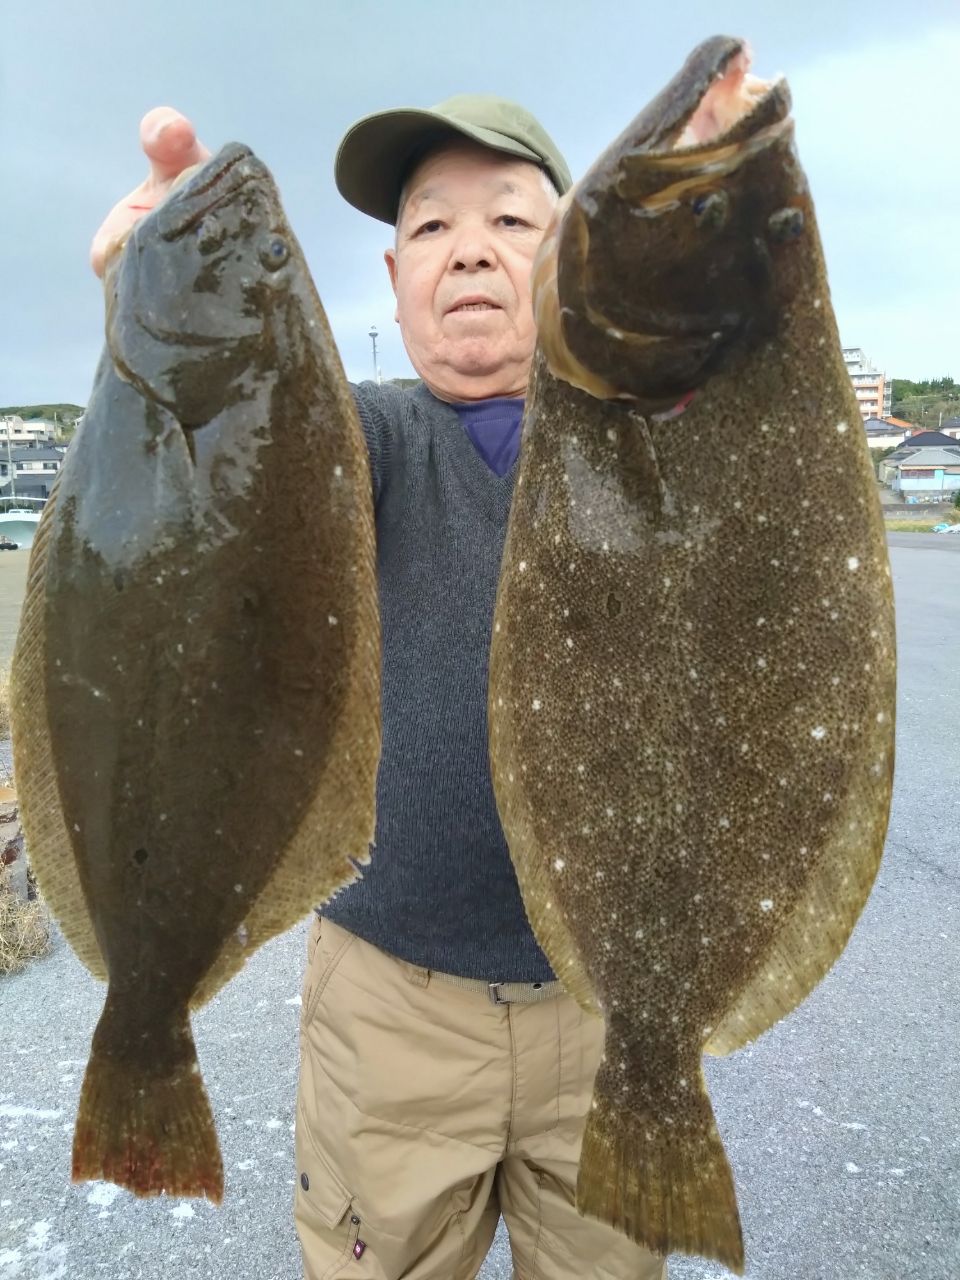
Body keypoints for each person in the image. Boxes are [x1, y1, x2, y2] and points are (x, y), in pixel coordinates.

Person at [92, 99, 667, 1280]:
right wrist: (159, 293)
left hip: (614, 996)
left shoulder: (642, 442)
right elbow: (209, 453)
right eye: (434, 224)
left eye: (512, 218)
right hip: (388, 999)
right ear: (394, 274)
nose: (470, 246)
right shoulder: (346, 442)